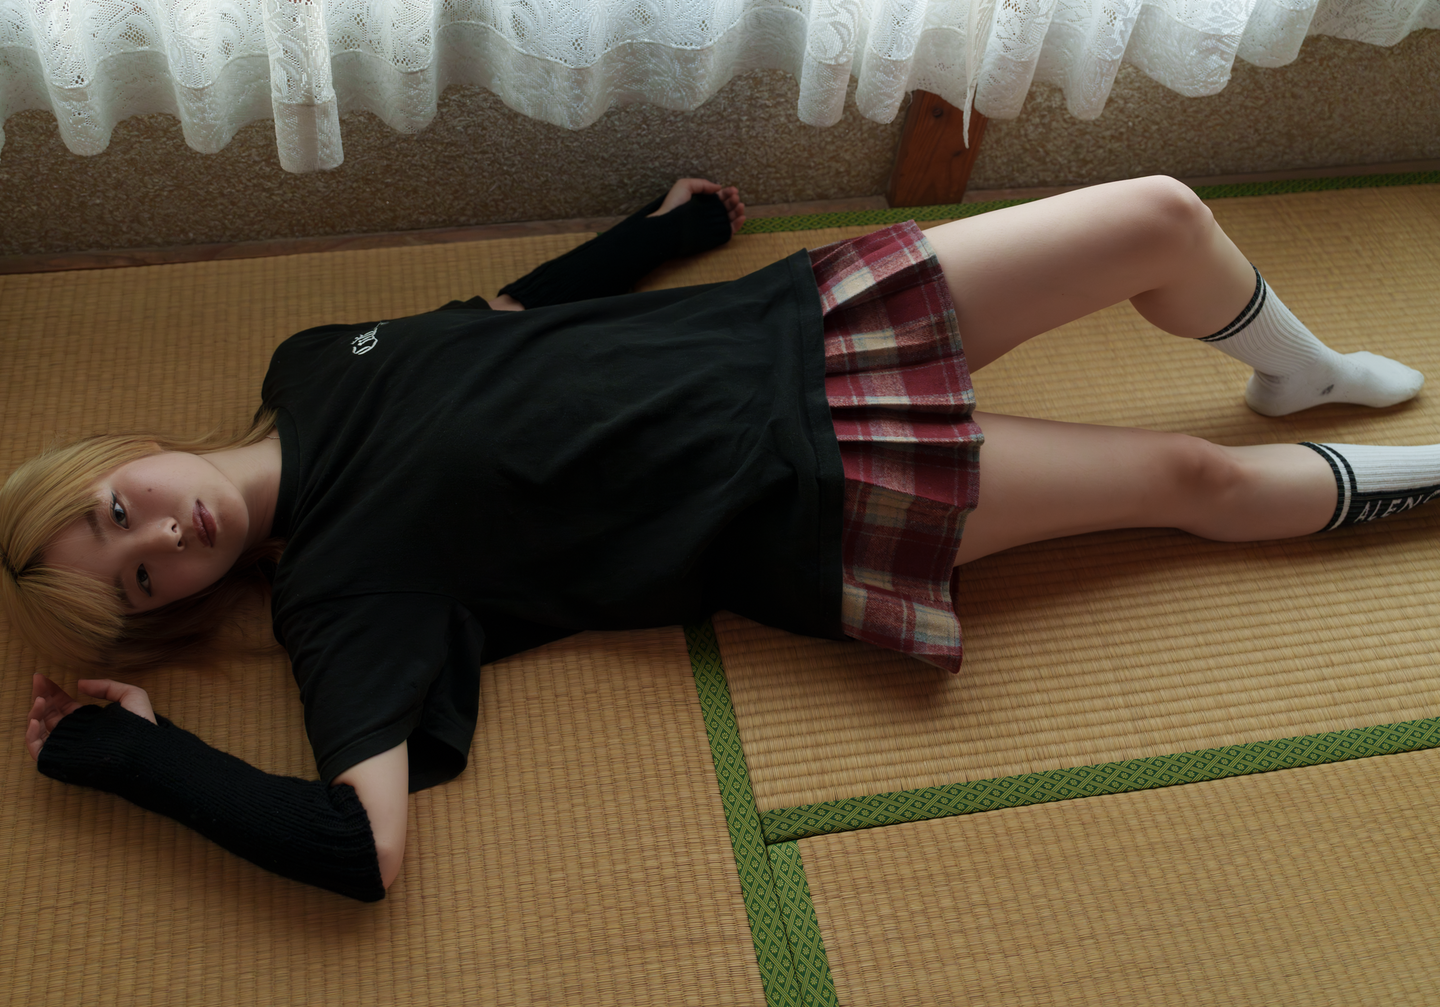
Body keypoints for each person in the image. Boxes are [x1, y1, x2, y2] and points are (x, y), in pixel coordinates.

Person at [7, 174, 1437, 903]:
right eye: (146, 578)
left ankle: (1299, 371)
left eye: (120, 512)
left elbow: (499, 325)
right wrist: (133, 756)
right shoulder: (340, 599)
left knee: (1162, 217)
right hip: (811, 482)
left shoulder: (311, 359)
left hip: (793, 320)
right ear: (179, 604)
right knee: (1189, 477)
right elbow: (358, 847)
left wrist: (657, 231)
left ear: (121, 457)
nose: (165, 534)